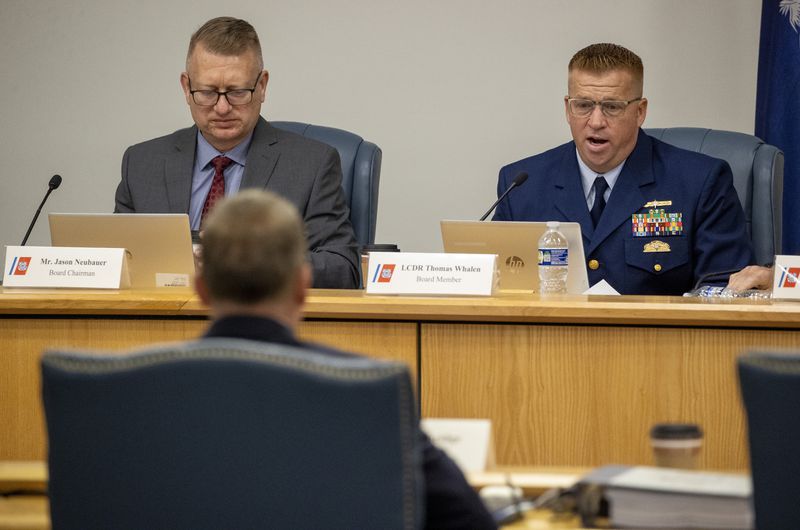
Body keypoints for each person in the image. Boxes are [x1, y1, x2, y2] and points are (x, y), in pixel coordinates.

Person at [195, 189, 497, 530]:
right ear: (302, 284)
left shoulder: (128, 389)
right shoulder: (365, 388)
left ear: (200, 287)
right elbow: (467, 518)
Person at [114, 16, 359, 289]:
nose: (221, 108)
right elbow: (117, 265)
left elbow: (342, 269)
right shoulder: (141, 163)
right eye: (207, 92)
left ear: (262, 85)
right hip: (160, 324)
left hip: (258, 324)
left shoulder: (311, 165)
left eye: (237, 92)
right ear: (186, 87)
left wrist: (253, 262)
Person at [493, 43, 754, 295]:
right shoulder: (521, 185)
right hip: (548, 340)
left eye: (612, 107)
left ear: (640, 112)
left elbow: (727, 289)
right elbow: (494, 285)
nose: (596, 122)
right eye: (583, 105)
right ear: (567, 108)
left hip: (658, 339)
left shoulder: (700, 182)